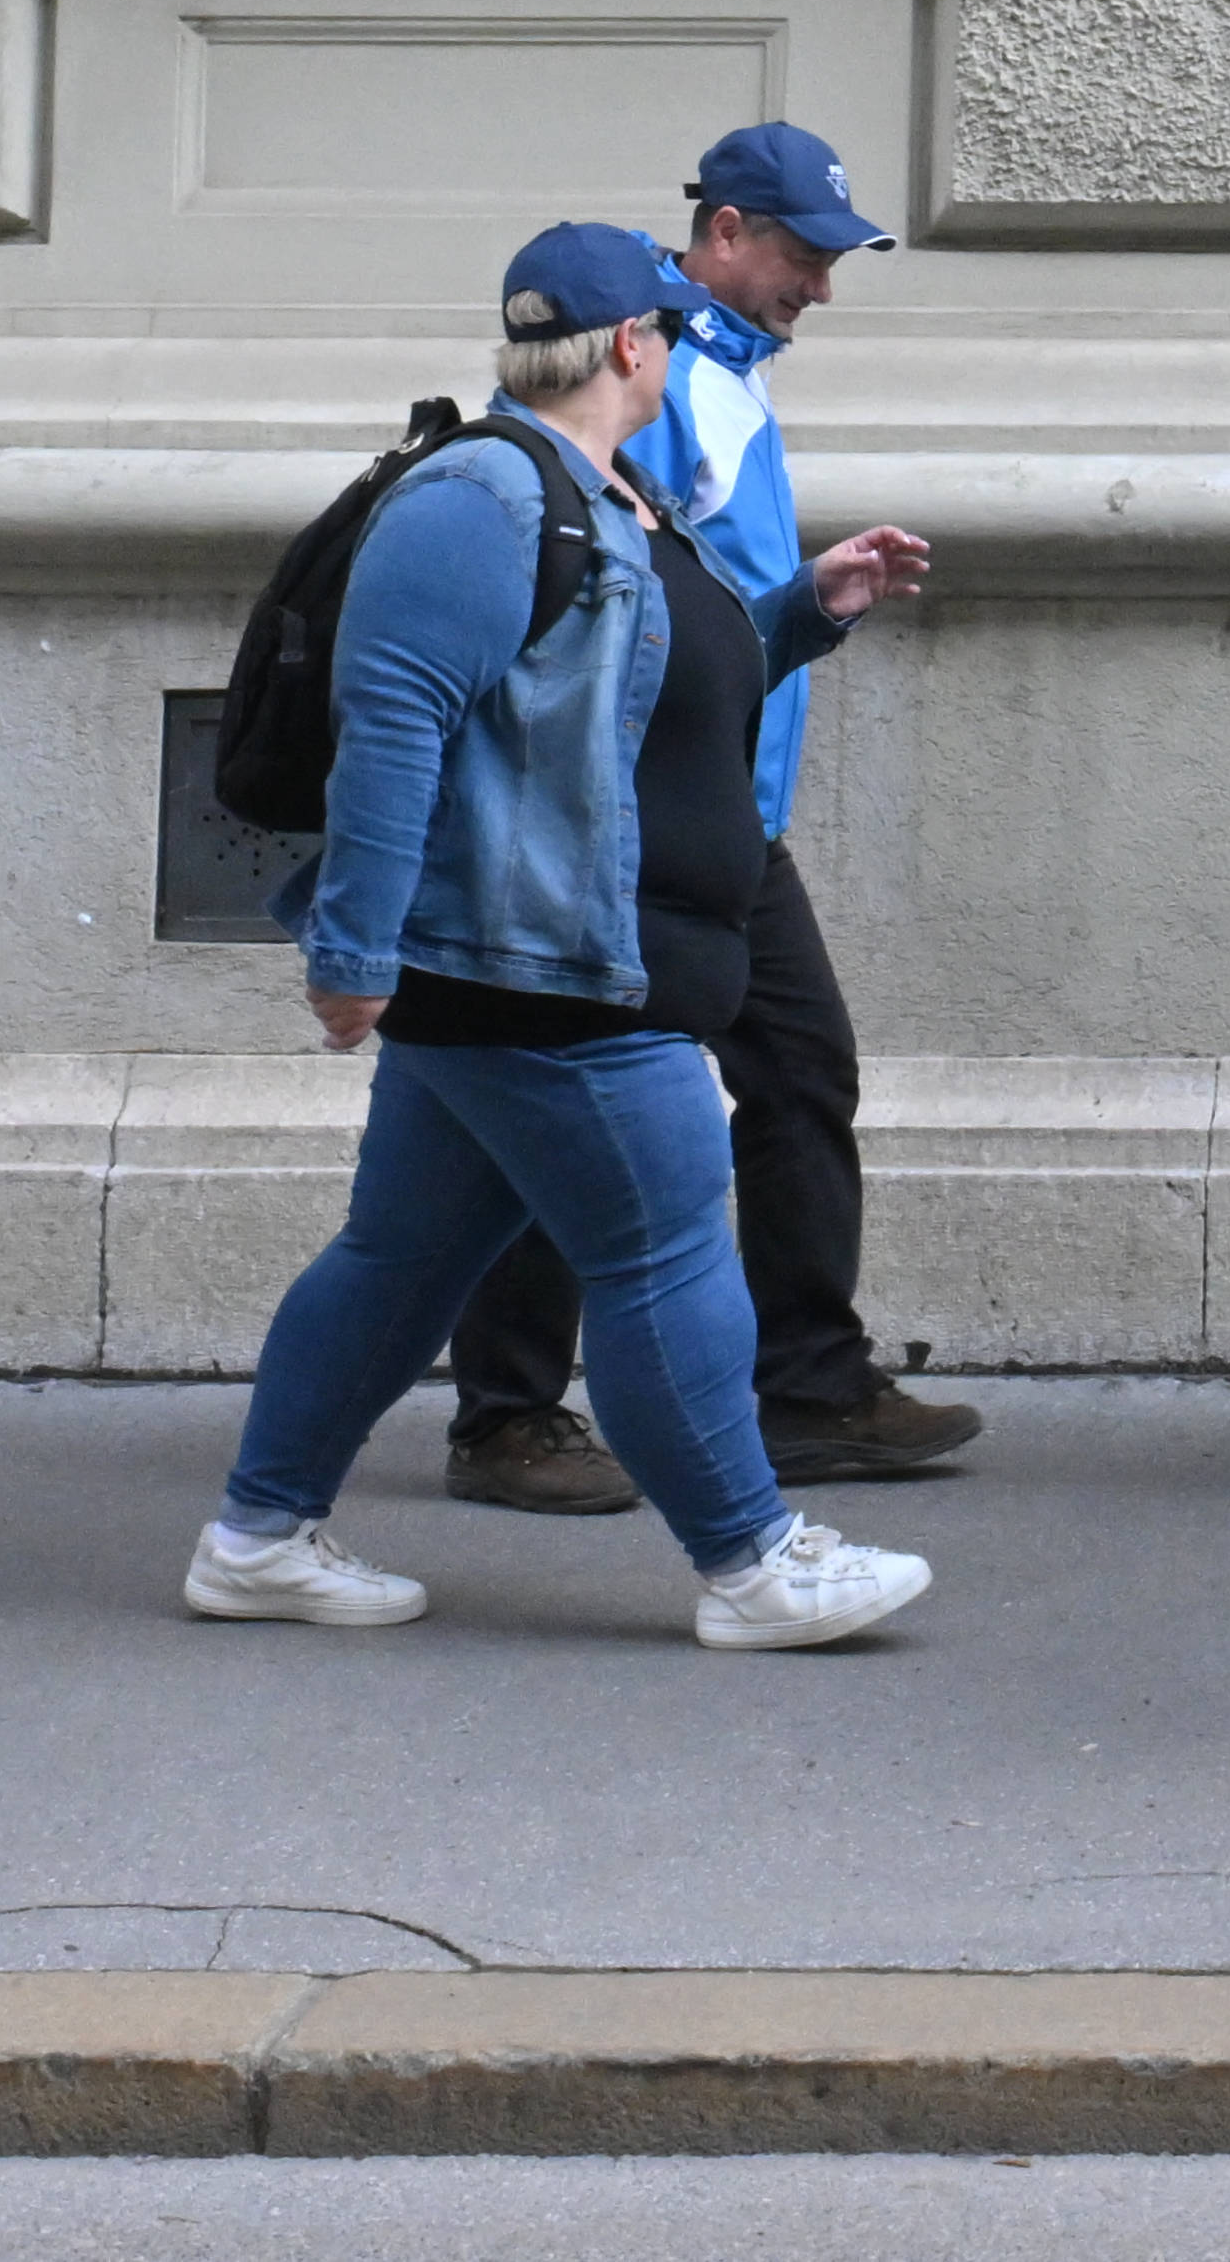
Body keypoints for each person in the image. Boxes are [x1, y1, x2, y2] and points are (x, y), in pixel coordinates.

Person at [185, 221, 940, 1655]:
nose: (678, 345)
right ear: (632, 345)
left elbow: (631, 699)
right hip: (545, 968)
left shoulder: (612, 494)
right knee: (666, 1249)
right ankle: (754, 1558)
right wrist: (350, 957)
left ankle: (259, 1534)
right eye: (668, 326)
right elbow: (393, 728)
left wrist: (803, 611)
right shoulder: (482, 492)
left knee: (400, 1263)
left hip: (553, 957)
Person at [441, 120, 972, 1514]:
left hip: (725, 812)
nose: (821, 285)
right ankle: (508, 1414)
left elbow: (703, 607)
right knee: (579, 1101)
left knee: (797, 1074)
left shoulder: (726, 372)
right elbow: (615, 600)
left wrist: (810, 598)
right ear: (723, 232)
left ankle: (803, 1385)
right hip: (625, 821)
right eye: (802, 252)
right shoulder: (655, 367)